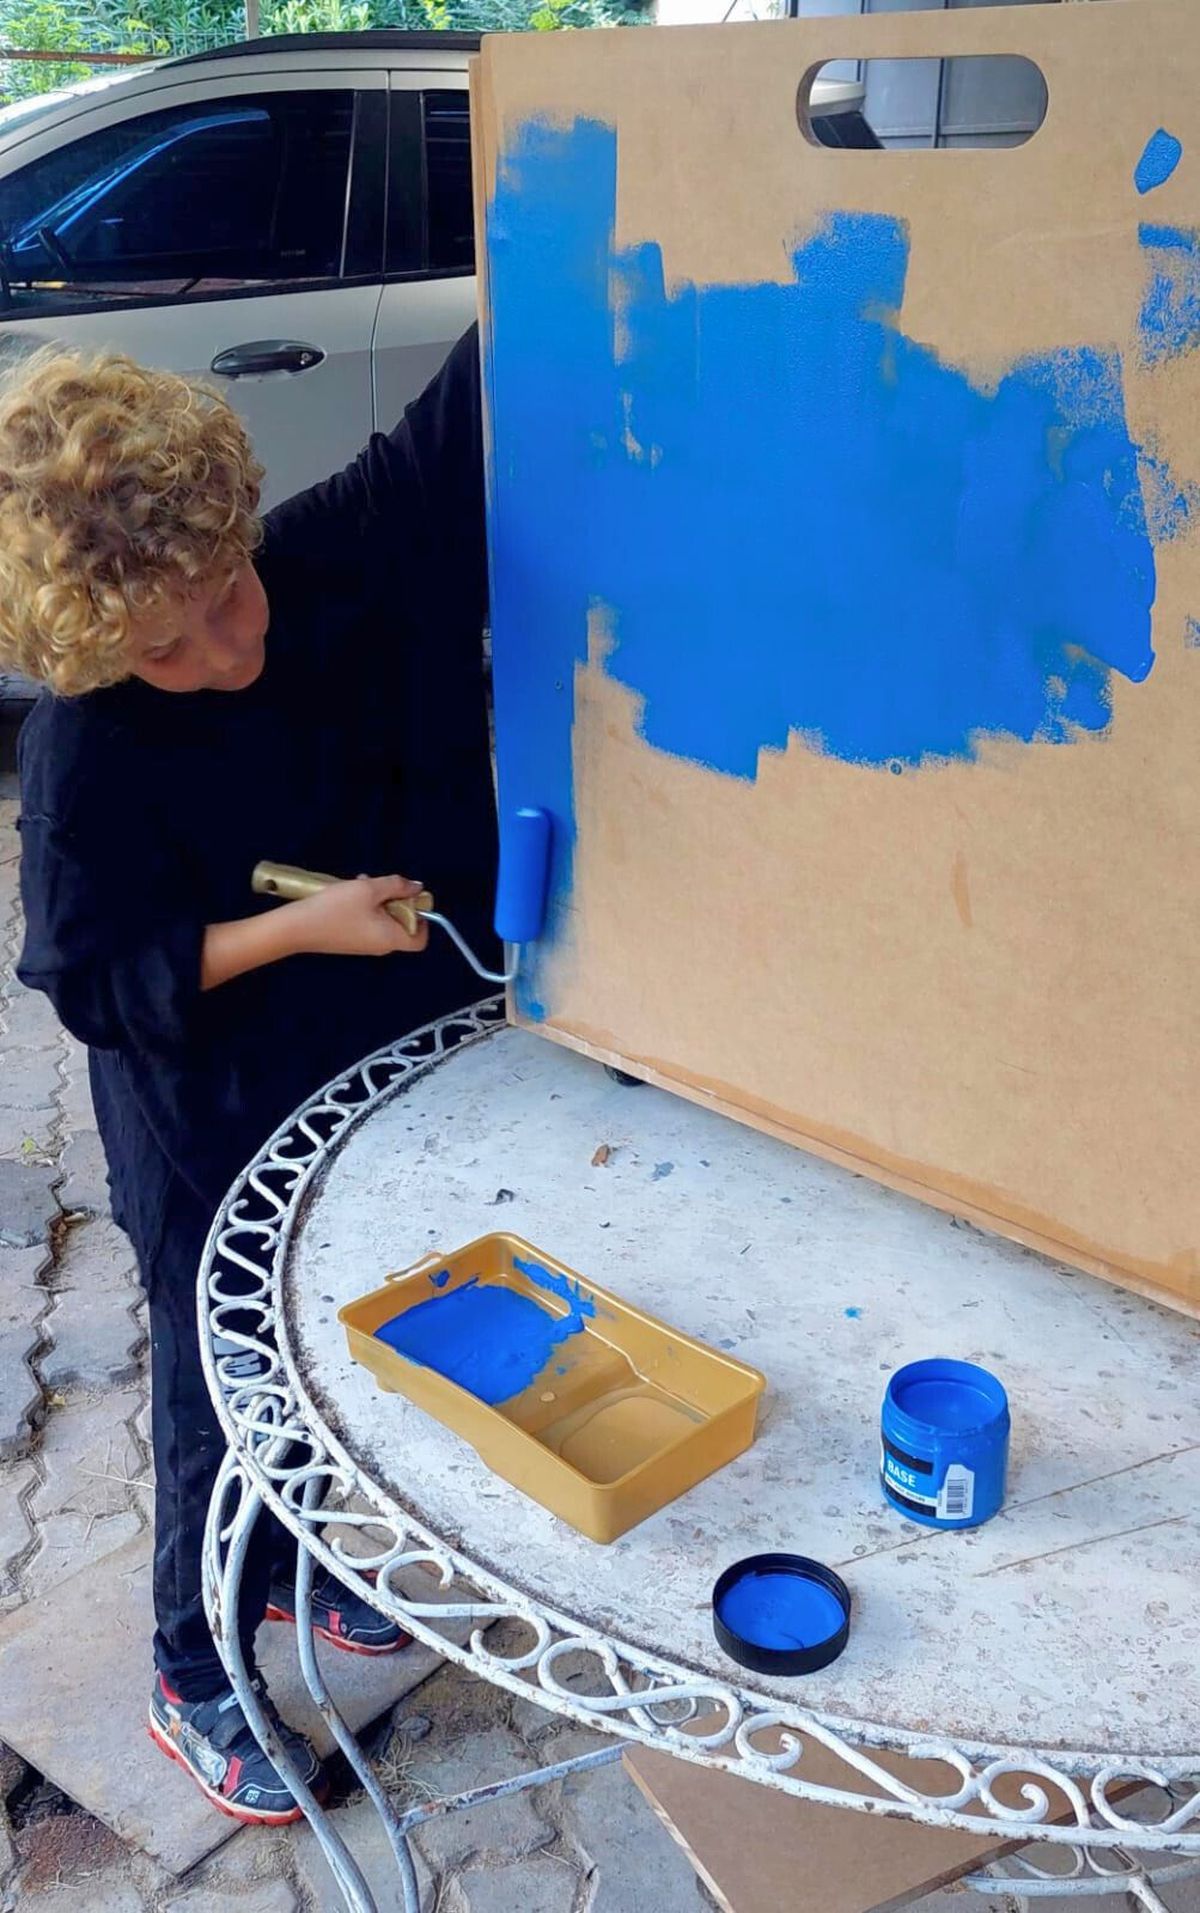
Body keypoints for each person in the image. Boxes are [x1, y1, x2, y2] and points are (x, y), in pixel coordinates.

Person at [0, 331, 499, 1824]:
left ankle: (325, 1567)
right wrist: (301, 928)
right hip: (209, 1106)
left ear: (236, 521)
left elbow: (453, 418)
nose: (227, 651)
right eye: (170, 647)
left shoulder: (317, 554)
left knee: (358, 1329)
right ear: (95, 649)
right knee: (228, 1381)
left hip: (371, 1061)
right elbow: (92, 978)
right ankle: (193, 1659)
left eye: (227, 596)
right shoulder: (86, 747)